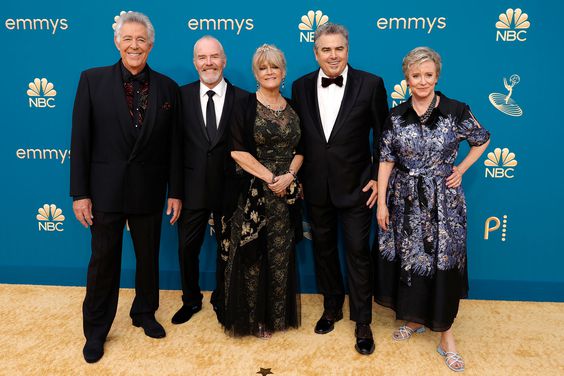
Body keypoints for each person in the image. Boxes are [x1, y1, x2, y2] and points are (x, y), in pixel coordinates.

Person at [70, 11, 183, 363]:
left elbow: (175, 146)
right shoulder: (91, 80)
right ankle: (96, 330)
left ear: (150, 45)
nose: (135, 45)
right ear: (117, 42)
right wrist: (80, 193)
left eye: (141, 40)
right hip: (104, 191)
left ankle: (145, 312)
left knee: (148, 258)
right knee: (103, 262)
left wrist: (175, 191)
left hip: (148, 190)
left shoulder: (168, 87)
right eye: (128, 39)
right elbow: (81, 140)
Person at [374, 46, 490, 372]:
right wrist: (382, 202)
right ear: (407, 79)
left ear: (437, 76)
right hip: (405, 200)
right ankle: (414, 319)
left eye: (428, 75)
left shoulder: (456, 110)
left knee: (441, 264)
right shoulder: (395, 116)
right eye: (416, 75)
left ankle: (446, 336)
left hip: (444, 202)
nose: (422, 81)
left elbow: (481, 139)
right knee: (412, 263)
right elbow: (386, 160)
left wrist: (462, 169)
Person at [291, 23, 389, 355]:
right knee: (323, 250)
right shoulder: (300, 86)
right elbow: (300, 139)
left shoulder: (371, 84)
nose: (333, 56)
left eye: (339, 49)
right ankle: (331, 306)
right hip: (315, 188)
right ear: (315, 52)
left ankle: (362, 321)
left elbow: (384, 136)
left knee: (358, 254)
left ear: (347, 50)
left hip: (358, 187)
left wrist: (377, 176)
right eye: (326, 50)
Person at [219, 44, 302, 338]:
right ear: (256, 72)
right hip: (253, 193)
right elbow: (237, 152)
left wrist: (289, 176)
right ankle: (252, 319)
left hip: (286, 194)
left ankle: (275, 316)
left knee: (279, 254)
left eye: (275, 67)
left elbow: (302, 149)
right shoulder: (243, 105)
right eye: (263, 68)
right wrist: (271, 178)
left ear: (283, 71)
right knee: (252, 255)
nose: (270, 72)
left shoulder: (293, 106)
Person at [172, 36, 248, 325]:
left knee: (227, 249)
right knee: (186, 249)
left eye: (214, 56)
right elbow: (174, 149)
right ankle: (190, 300)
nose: (208, 63)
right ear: (195, 62)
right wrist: (175, 192)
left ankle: (221, 298)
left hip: (231, 189)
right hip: (191, 190)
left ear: (224, 60)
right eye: (202, 58)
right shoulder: (180, 97)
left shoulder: (243, 98)